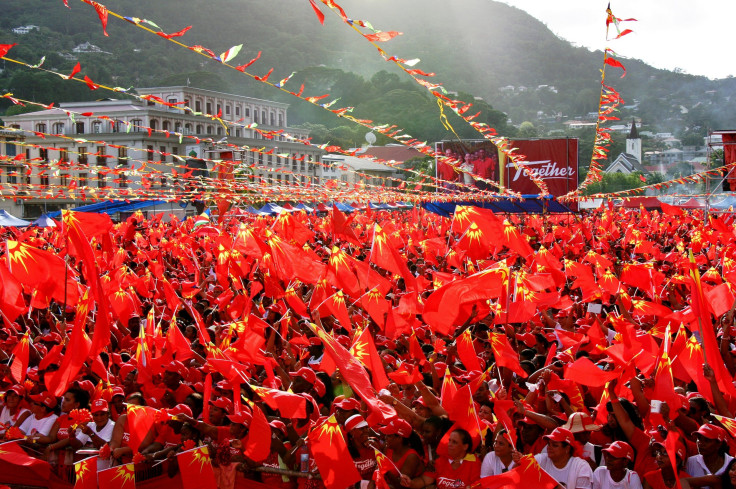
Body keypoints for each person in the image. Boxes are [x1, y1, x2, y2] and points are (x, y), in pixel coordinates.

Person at [400, 428, 481, 489]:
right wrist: (410, 483)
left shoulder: (474, 463)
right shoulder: (441, 461)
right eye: (450, 441)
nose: (449, 444)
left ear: (465, 446)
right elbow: (424, 481)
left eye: (454, 442)